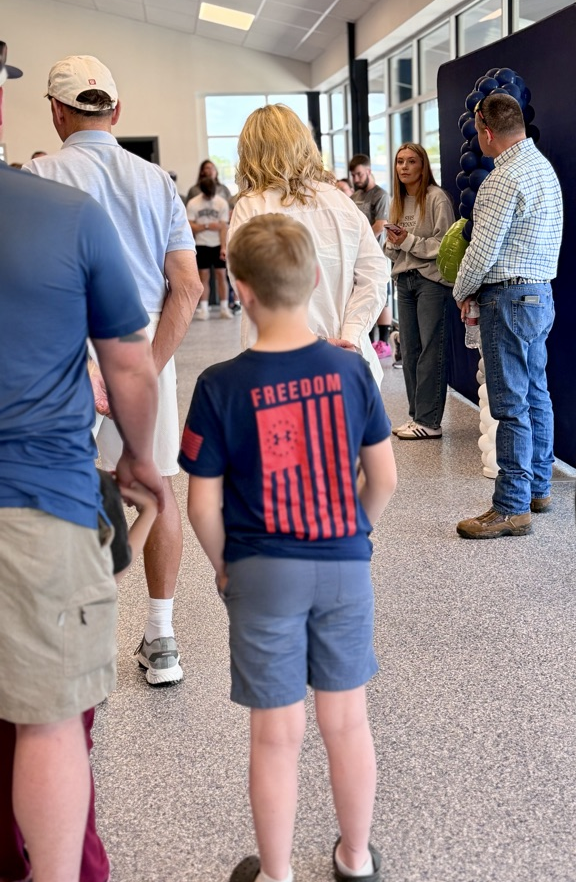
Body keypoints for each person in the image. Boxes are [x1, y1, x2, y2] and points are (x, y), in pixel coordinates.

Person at [179, 214, 397, 882]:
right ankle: (356, 862)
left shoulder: (219, 385)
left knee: (275, 734)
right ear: (316, 279)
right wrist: (354, 535)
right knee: (346, 721)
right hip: (342, 565)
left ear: (240, 289)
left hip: (261, 569)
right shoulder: (351, 370)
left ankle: (275, 877)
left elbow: (201, 504)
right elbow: (383, 478)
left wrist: (225, 566)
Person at [0, 41, 164, 882]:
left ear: (59, 112)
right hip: (37, 495)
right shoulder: (60, 211)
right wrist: (140, 457)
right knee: (51, 719)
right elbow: (129, 362)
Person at [24, 54, 202, 685]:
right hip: (145, 346)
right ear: (116, 111)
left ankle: (75, 642)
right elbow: (188, 287)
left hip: (67, 355)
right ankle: (162, 638)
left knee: (67, 492)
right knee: (157, 488)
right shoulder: (157, 182)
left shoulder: (38, 177)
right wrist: (143, 370)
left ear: (56, 111)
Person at [1, 475, 159, 882]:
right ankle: (86, 877)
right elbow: (112, 574)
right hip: (63, 671)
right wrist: (150, 511)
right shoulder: (83, 483)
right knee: (63, 766)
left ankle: (12, 873)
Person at [452, 94, 562, 538]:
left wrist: (461, 290)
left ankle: (511, 507)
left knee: (510, 404)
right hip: (540, 295)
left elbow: (482, 251)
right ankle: (538, 488)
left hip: (508, 297)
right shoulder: (542, 169)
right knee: (536, 393)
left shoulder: (502, 179)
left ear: (486, 130)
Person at [227, 104, 389, 385]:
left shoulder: (251, 207)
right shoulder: (340, 201)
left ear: (251, 152)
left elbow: (246, 285)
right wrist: (350, 336)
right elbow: (375, 275)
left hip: (281, 366)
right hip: (349, 362)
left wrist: (316, 342)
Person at [384, 143, 455, 439]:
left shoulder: (437, 198)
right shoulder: (397, 201)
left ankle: (429, 421)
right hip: (404, 280)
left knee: (430, 350)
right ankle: (417, 417)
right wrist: (392, 242)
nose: (404, 167)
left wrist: (407, 240)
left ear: (423, 166)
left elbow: (446, 245)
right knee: (410, 351)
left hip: (431, 281)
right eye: (400, 161)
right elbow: (394, 250)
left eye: (411, 161)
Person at [349, 154, 393, 360]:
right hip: (356, 256)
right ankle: (367, 340)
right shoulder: (354, 197)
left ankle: (384, 342)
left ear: (368, 171)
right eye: (353, 175)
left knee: (381, 298)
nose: (356, 178)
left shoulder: (380, 195)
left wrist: (363, 243)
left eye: (359, 174)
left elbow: (380, 224)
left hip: (376, 255)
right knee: (361, 296)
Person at [186, 175, 232, 319]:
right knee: (203, 276)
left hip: (218, 243)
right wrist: (207, 226)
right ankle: (204, 309)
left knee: (221, 275)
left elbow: (223, 227)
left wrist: (223, 247)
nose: (210, 197)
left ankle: (224, 308)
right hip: (201, 244)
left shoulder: (221, 203)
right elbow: (190, 225)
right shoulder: (193, 203)